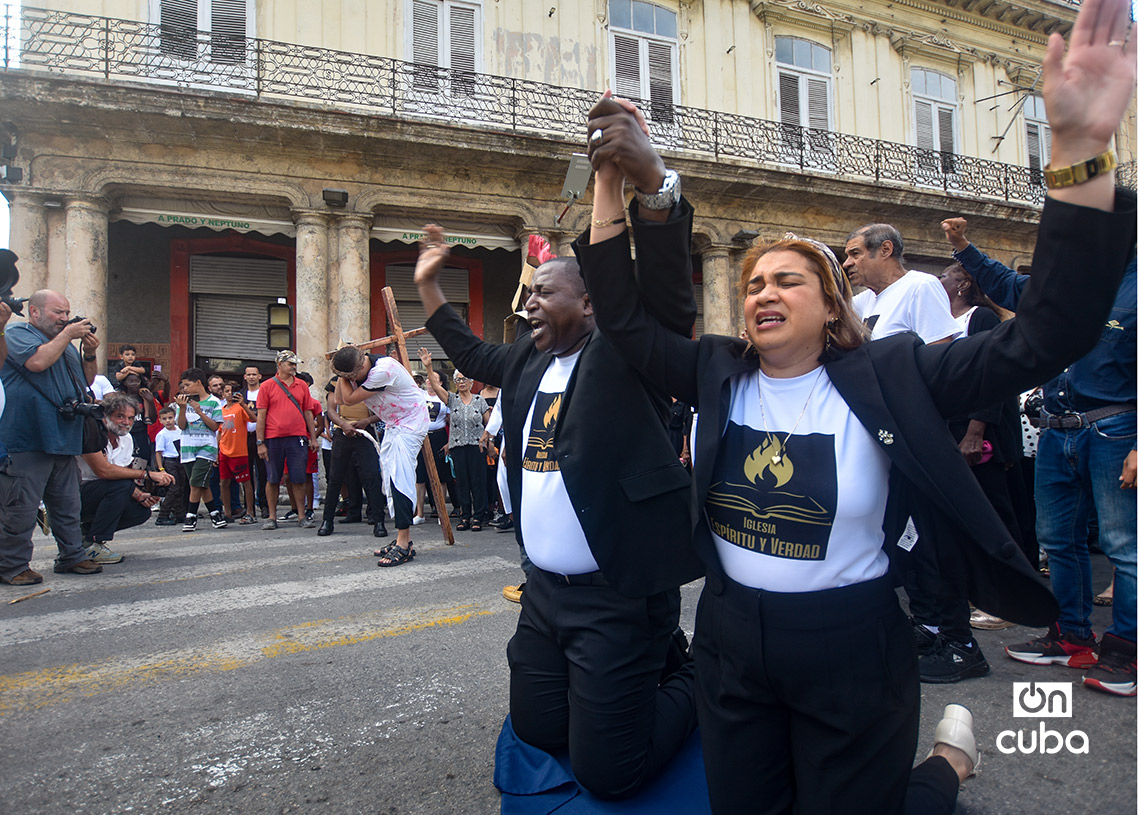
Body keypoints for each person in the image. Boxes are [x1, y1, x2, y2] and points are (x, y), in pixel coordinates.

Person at [577, 4, 1136, 807]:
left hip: (853, 645)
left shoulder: (893, 372)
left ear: (834, 306)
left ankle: (946, 763)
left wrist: (1081, 158)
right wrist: (613, 182)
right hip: (732, 640)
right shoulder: (714, 370)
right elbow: (625, 322)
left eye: (788, 279)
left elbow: (1046, 334)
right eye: (753, 282)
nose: (764, 290)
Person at [415, 192, 702, 797]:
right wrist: (430, 287)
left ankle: (703, 671)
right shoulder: (527, 360)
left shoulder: (628, 352)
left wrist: (615, 189)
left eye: (545, 293)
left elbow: (661, 298)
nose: (527, 307)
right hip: (544, 597)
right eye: (528, 295)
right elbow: (468, 352)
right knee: (540, 730)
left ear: (593, 302)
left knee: (610, 775)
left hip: (615, 597)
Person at [943, 216, 1137, 696]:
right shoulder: (1071, 286)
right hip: (1056, 430)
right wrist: (964, 247)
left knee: (1122, 546)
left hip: (1114, 428)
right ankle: (1071, 636)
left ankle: (1124, 651)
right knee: (1057, 539)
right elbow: (1008, 285)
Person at [0, 289, 104, 584]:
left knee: (68, 504)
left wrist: (89, 353)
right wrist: (68, 334)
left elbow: (86, 381)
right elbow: (36, 363)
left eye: (67, 312)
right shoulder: (20, 333)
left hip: (62, 437)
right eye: (58, 312)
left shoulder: (66, 345)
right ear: (34, 312)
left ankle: (72, 556)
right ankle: (12, 566)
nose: (65, 318)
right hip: (28, 437)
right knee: (20, 508)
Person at [330, 347, 429, 565]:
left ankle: (405, 543)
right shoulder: (357, 373)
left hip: (410, 423)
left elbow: (348, 399)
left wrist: (342, 375)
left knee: (399, 478)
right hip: (394, 424)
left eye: (349, 376)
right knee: (388, 480)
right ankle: (401, 538)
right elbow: (338, 398)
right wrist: (342, 372)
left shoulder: (383, 370)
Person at [79, 392, 175, 560]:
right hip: (77, 495)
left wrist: (138, 495)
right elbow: (104, 471)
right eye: (120, 416)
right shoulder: (92, 433)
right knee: (121, 486)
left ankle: (85, 535)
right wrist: (147, 475)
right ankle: (96, 544)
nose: (126, 422)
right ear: (105, 416)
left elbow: (120, 476)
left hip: (104, 492)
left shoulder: (127, 439)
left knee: (141, 511)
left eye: (131, 418)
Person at [843, 226, 960, 344]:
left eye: (855, 254)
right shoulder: (864, 300)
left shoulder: (921, 286)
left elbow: (938, 349)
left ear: (885, 249)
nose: (846, 263)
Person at [419, 348, 490, 531]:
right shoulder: (452, 399)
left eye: (464, 379)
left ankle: (478, 517)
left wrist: (489, 442)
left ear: (471, 382)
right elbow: (435, 387)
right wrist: (428, 367)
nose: (461, 382)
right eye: (458, 380)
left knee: (478, 482)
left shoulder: (479, 400)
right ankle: (465, 516)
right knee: (462, 483)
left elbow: (489, 424)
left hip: (477, 446)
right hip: (458, 447)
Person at [318, 375, 388, 539]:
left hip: (365, 431)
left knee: (372, 477)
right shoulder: (335, 382)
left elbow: (382, 411)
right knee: (335, 478)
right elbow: (330, 410)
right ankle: (327, 521)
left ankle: (379, 521)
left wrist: (367, 421)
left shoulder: (371, 380)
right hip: (342, 433)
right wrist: (343, 425)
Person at [256, 350, 319, 530]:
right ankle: (272, 517)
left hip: (297, 437)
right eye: (290, 364)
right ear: (280, 365)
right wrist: (260, 442)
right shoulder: (267, 386)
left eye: (294, 364)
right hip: (273, 438)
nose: (293, 367)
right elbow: (261, 416)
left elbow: (308, 412)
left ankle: (301, 515)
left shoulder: (301, 385)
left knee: (298, 478)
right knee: (273, 478)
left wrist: (312, 438)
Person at [175, 367, 228, 532]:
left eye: (187, 385)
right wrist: (183, 408)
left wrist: (199, 411)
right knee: (200, 484)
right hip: (188, 447)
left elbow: (215, 427)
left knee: (195, 482)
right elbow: (181, 426)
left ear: (198, 383)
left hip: (206, 447)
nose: (185, 389)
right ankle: (214, 514)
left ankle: (190, 516)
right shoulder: (183, 402)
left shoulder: (214, 402)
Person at [219, 381, 257, 524]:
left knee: (245, 481)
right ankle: (227, 512)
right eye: (227, 391)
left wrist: (243, 405)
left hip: (239, 451)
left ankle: (250, 512)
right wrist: (218, 449)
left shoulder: (239, 408)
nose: (229, 394)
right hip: (224, 450)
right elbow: (219, 431)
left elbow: (254, 419)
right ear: (223, 393)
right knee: (224, 482)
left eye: (232, 391)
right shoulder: (221, 410)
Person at [153, 405, 188, 526]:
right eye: (165, 419)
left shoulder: (180, 430)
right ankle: (163, 515)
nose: (168, 421)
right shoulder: (162, 434)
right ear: (160, 420)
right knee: (173, 488)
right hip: (169, 461)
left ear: (175, 418)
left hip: (180, 460)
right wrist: (161, 469)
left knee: (181, 487)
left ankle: (180, 514)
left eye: (170, 418)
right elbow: (158, 453)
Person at [243, 365, 269, 518]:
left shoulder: (264, 393)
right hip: (244, 437)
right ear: (245, 377)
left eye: (254, 374)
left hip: (261, 437)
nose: (251, 377)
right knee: (247, 475)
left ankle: (264, 505)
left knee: (263, 473)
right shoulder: (240, 395)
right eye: (249, 374)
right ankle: (249, 507)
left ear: (259, 376)